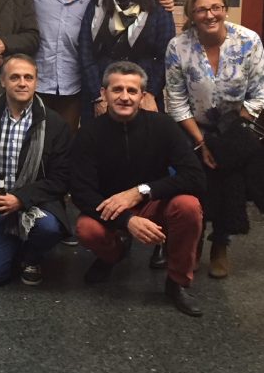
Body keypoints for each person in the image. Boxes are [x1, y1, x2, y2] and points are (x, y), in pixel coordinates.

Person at [70, 61, 206, 317]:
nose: (125, 97)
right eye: (117, 89)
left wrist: (141, 191)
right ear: (103, 94)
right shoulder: (88, 134)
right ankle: (113, 255)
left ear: (142, 96)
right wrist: (127, 220)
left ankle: (176, 282)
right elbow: (80, 192)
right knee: (87, 229)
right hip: (110, 207)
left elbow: (195, 177)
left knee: (189, 206)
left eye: (132, 91)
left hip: (154, 202)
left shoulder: (163, 126)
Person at [165, 0, 264, 278]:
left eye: (216, 8)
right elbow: (175, 100)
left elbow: (259, 94)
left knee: (230, 186)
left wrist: (227, 136)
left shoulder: (249, 40)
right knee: (195, 186)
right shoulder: (178, 46)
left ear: (225, 10)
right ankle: (194, 241)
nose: (209, 15)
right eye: (201, 10)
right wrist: (202, 143)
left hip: (235, 128)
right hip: (193, 129)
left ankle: (221, 243)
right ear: (191, 14)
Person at [0, 55, 72, 286]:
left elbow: (62, 179)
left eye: (28, 77)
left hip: (38, 203)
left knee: (48, 228)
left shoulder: (55, 124)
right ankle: (13, 245)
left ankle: (31, 257)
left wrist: (20, 198)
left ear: (36, 82)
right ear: (3, 81)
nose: (22, 83)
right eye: (15, 77)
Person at [79, 0, 174, 118]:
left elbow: (165, 56)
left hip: (142, 91)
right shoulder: (97, 3)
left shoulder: (157, 6)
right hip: (101, 90)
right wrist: (97, 96)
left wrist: (150, 93)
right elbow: (85, 51)